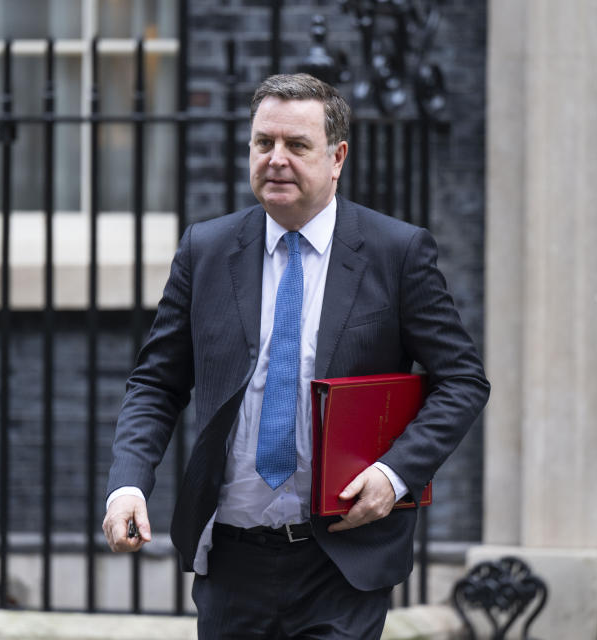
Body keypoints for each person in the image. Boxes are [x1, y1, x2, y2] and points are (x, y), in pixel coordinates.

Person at [102, 73, 489, 639]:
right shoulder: (205, 251)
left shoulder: (396, 253)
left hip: (340, 561)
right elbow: (157, 383)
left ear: (337, 158)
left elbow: (462, 381)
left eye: (297, 145)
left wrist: (395, 474)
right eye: (264, 143)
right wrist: (128, 485)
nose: (276, 159)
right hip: (231, 560)